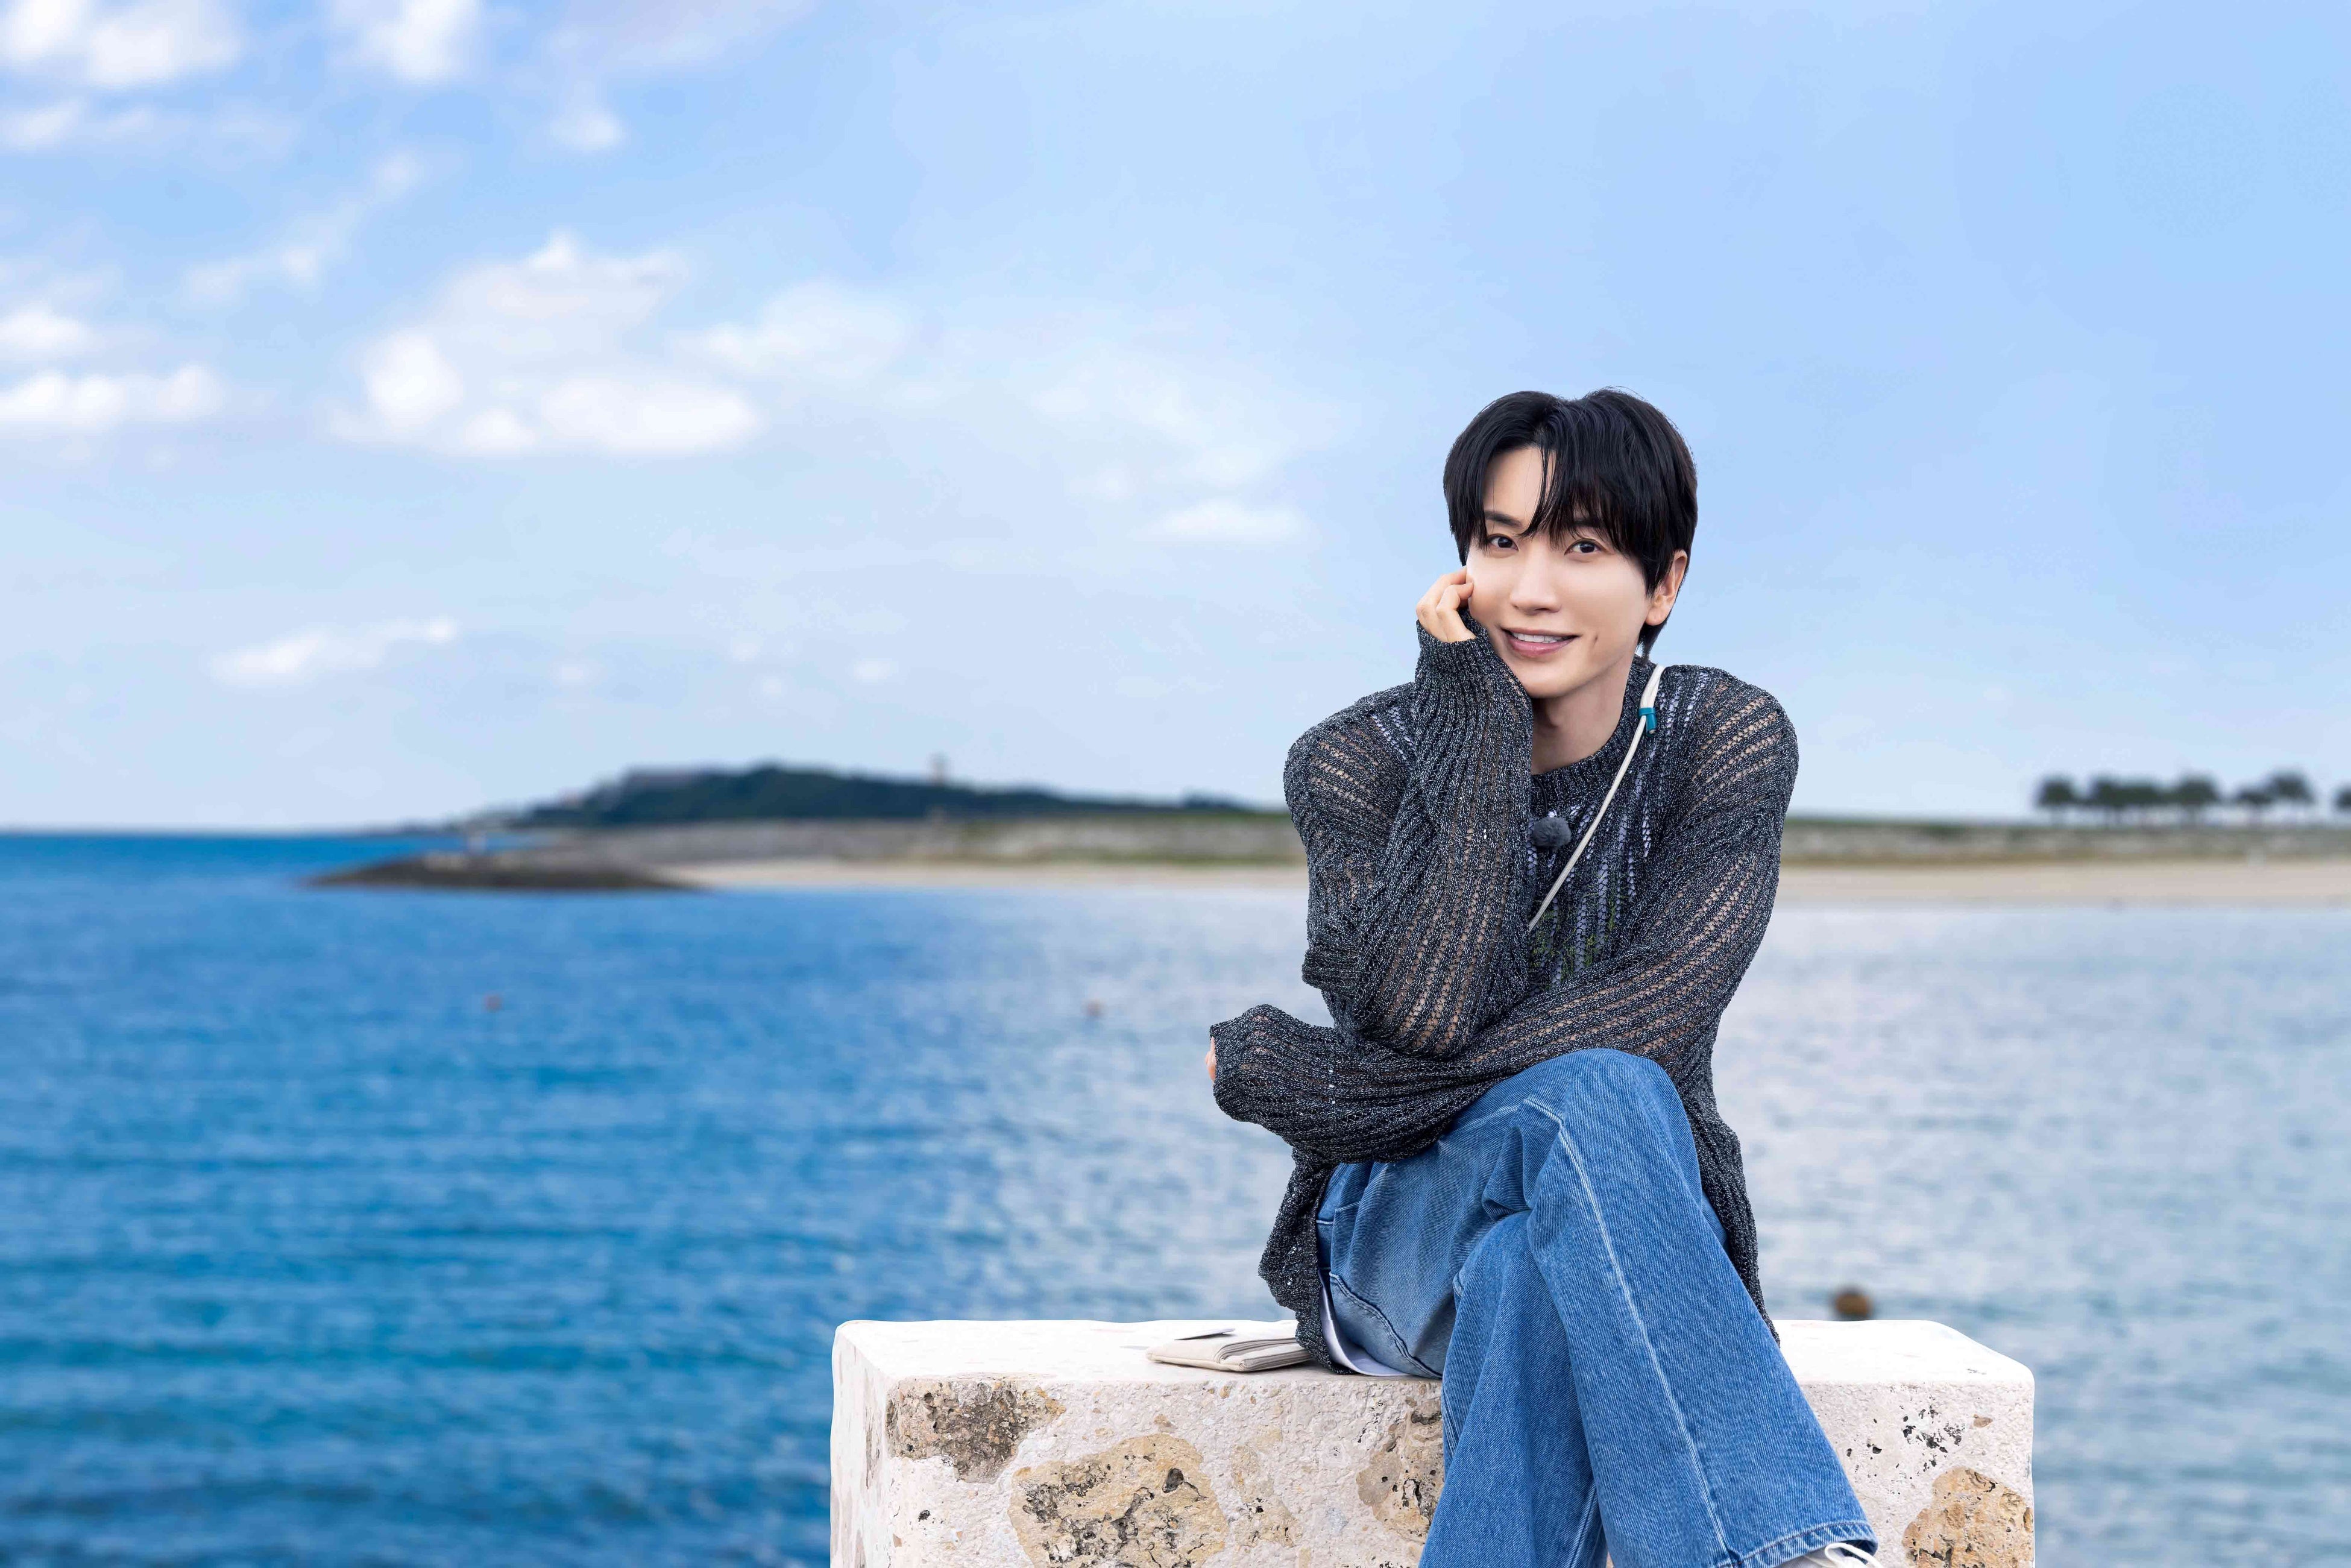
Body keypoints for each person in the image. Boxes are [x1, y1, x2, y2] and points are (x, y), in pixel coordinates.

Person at [1205, 389, 1879, 1568]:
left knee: (1547, 1233)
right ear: (1460, 564)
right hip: (1391, 1234)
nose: (1530, 588)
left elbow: (1657, 1016)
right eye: (1501, 541)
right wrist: (1474, 725)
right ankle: (1774, 1552)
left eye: (1583, 546)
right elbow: (1424, 1013)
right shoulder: (1354, 761)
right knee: (1596, 1094)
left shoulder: (1723, 737)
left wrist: (1307, 1081)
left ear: (1663, 584)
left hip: (1608, 1225)